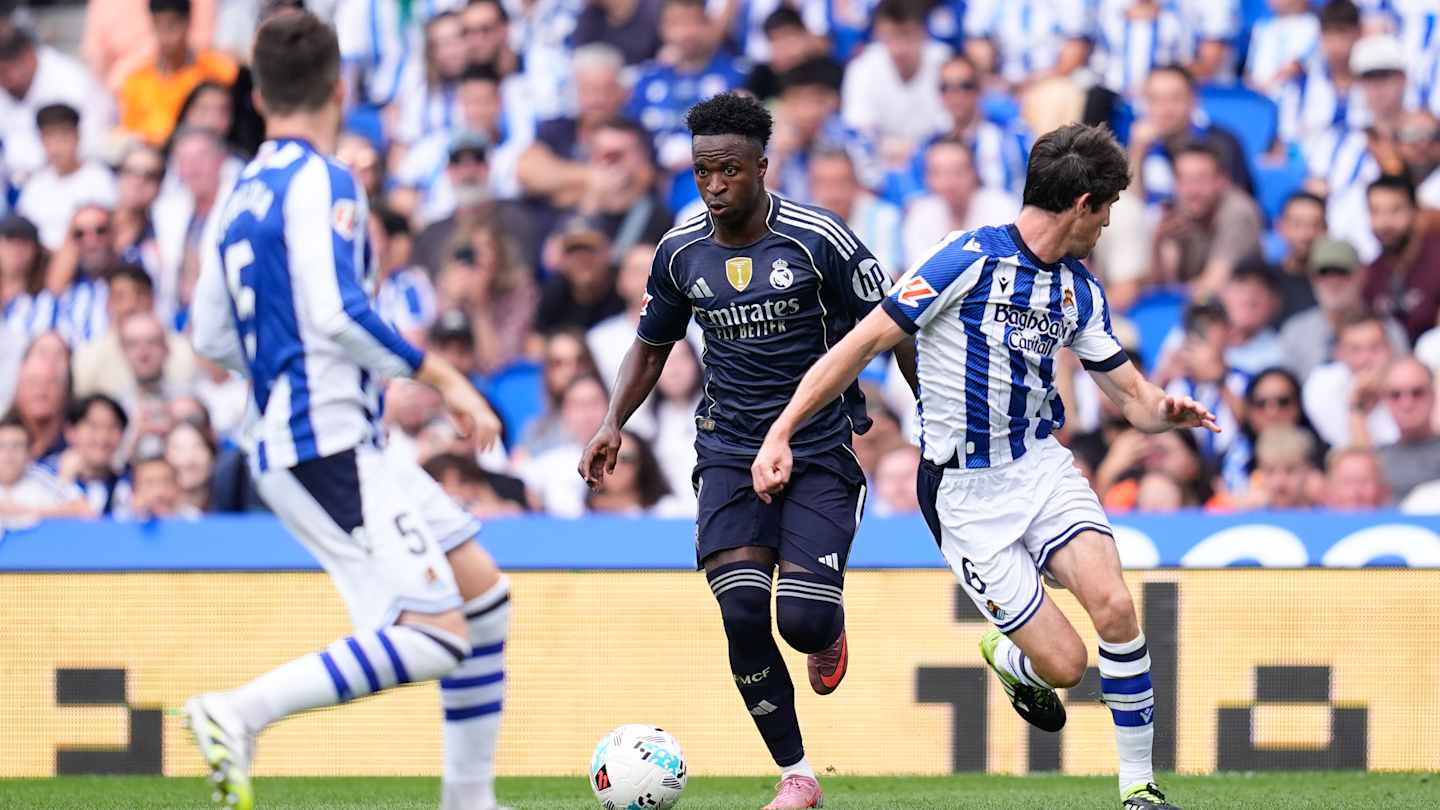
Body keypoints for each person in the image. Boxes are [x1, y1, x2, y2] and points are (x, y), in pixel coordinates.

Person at [752, 123, 1207, 810]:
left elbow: (1134, 398)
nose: (1111, 222)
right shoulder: (961, 260)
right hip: (965, 494)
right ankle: (1011, 656)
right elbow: (862, 343)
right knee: (1068, 667)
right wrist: (781, 430)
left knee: (1115, 605)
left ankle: (1139, 788)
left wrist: (1165, 411)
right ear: (1083, 204)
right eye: (1108, 207)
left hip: (1041, 466)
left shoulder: (1078, 290)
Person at [185, 15, 511, 810]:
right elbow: (336, 312)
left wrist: (282, 372)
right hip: (324, 442)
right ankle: (239, 711)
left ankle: (469, 799)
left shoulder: (237, 195)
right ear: (341, 88)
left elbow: (210, 333)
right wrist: (448, 380)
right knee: (435, 633)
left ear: (257, 97)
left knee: (483, 598)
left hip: (320, 440)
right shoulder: (326, 180)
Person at [579, 92, 917, 810]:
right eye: (703, 171)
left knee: (798, 620)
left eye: (729, 169)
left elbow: (893, 327)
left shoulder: (820, 238)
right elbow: (651, 346)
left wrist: (930, 419)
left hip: (820, 449)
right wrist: (611, 421)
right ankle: (797, 774)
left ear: (762, 166)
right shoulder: (680, 251)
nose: (714, 185)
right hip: (729, 450)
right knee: (739, 611)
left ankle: (826, 626)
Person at [1277, 237, 1409, 378]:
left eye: (1342, 272)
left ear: (1362, 274)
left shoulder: (1390, 330)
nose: (1333, 281)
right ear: (1312, 278)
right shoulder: (1295, 332)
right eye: (1324, 273)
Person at [0, 27, 115, 183]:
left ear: (28, 57)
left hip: (71, 181)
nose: (4, 81)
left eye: (5, 72)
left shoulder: (71, 81)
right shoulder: (8, 85)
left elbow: (91, 145)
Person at [1150, 140, 1262, 299]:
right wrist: (1158, 241)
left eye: (1200, 179)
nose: (1192, 191)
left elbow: (1213, 287)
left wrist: (1175, 293)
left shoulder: (1239, 213)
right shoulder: (1177, 210)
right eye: (1184, 179)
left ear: (1222, 181)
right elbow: (1160, 286)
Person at [118, 0, 238, 147]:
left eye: (172, 25)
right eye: (158, 25)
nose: (165, 35)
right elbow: (129, 132)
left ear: (187, 23)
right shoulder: (137, 80)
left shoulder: (216, 72)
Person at [840, 0, 950, 157]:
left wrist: (916, 149)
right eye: (891, 36)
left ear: (924, 32)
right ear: (878, 34)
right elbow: (857, 127)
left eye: (908, 35)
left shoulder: (945, 62)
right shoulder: (862, 67)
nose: (900, 48)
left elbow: (952, 123)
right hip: (881, 159)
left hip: (936, 156)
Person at [901, 137, 1021, 266]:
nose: (949, 182)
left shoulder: (1003, 206)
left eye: (958, 172)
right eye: (939, 173)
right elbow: (916, 271)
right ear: (927, 178)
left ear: (974, 172)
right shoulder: (919, 213)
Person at [15, 103, 118, 250]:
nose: (56, 146)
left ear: (77, 136)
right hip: (39, 259)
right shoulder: (35, 184)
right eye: (49, 137)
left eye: (63, 136)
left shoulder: (98, 177)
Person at [1362, 174, 1440, 343]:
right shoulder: (1371, 275)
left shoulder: (1436, 258)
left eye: (1395, 210)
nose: (1384, 222)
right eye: (1375, 211)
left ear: (1415, 211)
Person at [1302, 311, 1398, 448]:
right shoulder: (1322, 384)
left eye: (1375, 348)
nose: (1366, 359)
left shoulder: (1408, 383)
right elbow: (1355, 454)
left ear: (1390, 349)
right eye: (1355, 350)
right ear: (1339, 353)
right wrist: (1357, 403)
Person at [0, 414, 91, 529]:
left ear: (29, 453)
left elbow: (84, 511)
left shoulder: (42, 477)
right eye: (2, 446)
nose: (9, 454)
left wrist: (22, 511)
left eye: (17, 446)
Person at [1375, 356, 1440, 499]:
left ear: (1433, 395)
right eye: (1395, 395)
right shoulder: (1376, 461)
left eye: (1417, 393)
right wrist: (1358, 412)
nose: (1407, 404)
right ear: (1384, 400)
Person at [1323, 446, 1391, 509]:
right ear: (1330, 489)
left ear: (1382, 489)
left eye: (1363, 482)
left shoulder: (1396, 520)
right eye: (1347, 482)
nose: (1355, 492)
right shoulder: (1315, 520)